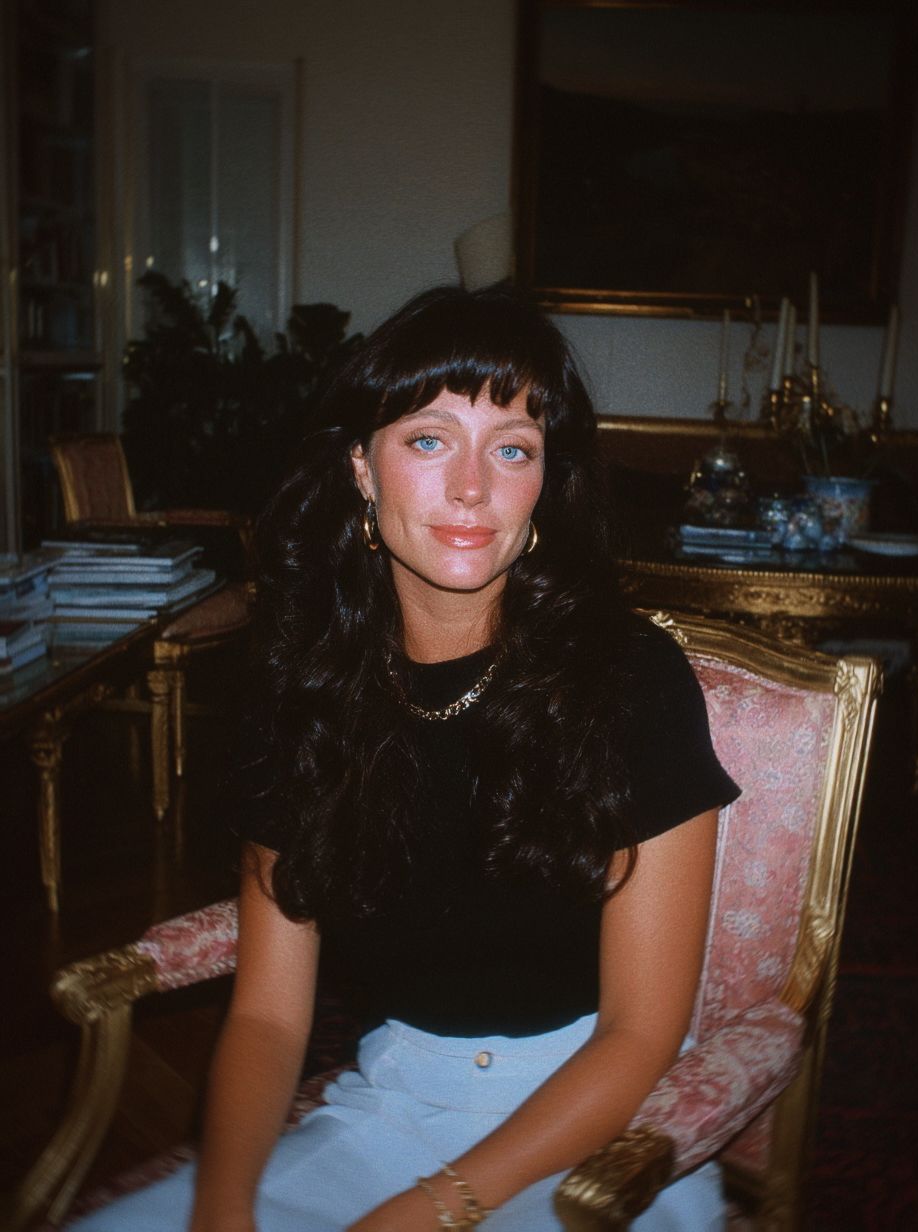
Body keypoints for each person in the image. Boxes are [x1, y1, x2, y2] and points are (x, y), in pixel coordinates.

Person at [74, 284, 739, 1232]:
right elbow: (268, 1016)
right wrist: (222, 1207)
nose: (473, 489)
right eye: (429, 440)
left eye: (513, 449)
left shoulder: (629, 679)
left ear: (545, 483)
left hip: (597, 1131)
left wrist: (431, 1211)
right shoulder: (296, 690)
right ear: (361, 468)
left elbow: (639, 1036)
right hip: (391, 1108)